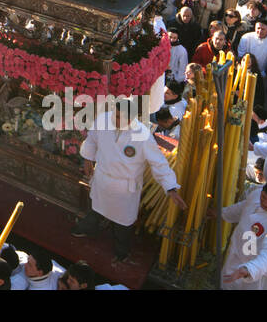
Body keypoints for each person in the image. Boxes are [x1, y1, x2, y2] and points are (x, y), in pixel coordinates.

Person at [72, 99, 185, 262]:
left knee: (122, 224)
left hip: (124, 189)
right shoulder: (104, 120)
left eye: (121, 118)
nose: (117, 121)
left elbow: (159, 164)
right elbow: (92, 139)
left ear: (132, 119)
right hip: (102, 180)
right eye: (116, 116)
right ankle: (87, 229)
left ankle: (122, 252)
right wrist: (88, 159)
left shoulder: (143, 136)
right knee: (96, 209)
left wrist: (171, 188)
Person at [219, 177, 267, 290]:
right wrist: (221, 213)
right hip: (238, 257)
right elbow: (242, 208)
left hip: (261, 274)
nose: (265, 203)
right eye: (263, 197)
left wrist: (250, 269)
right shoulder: (256, 195)